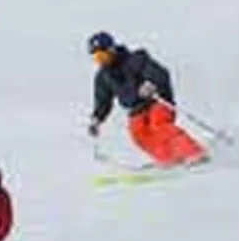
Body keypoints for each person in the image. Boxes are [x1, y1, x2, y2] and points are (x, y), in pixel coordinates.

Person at [87, 31, 205, 166]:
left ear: (111, 49)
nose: (101, 61)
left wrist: (151, 84)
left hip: (156, 100)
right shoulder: (103, 77)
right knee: (138, 133)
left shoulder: (135, 59)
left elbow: (161, 73)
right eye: (96, 58)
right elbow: (103, 101)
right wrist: (97, 118)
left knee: (159, 124)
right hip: (136, 108)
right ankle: (167, 158)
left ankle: (193, 152)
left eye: (102, 56)